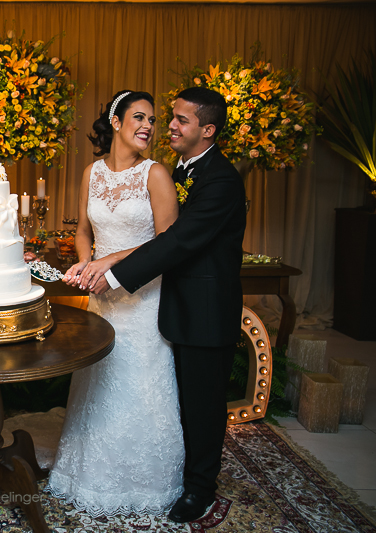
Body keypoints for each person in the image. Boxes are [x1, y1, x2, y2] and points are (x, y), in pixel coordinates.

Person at [75, 87, 247, 523]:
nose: (167, 125)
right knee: (179, 400)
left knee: (204, 406)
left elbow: (178, 241)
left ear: (207, 130)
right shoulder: (182, 171)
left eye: (181, 120)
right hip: (171, 304)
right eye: (168, 117)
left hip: (206, 310)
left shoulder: (222, 180)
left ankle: (199, 491)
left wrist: (112, 263)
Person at [46, 89, 185, 517]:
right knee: (99, 377)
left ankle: (146, 480)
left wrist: (110, 262)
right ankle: (85, 471)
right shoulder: (92, 172)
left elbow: (169, 242)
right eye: (140, 117)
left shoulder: (156, 174)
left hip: (143, 297)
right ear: (116, 121)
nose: (149, 126)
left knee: (139, 379)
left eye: (154, 120)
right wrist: (87, 262)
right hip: (102, 299)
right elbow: (84, 228)